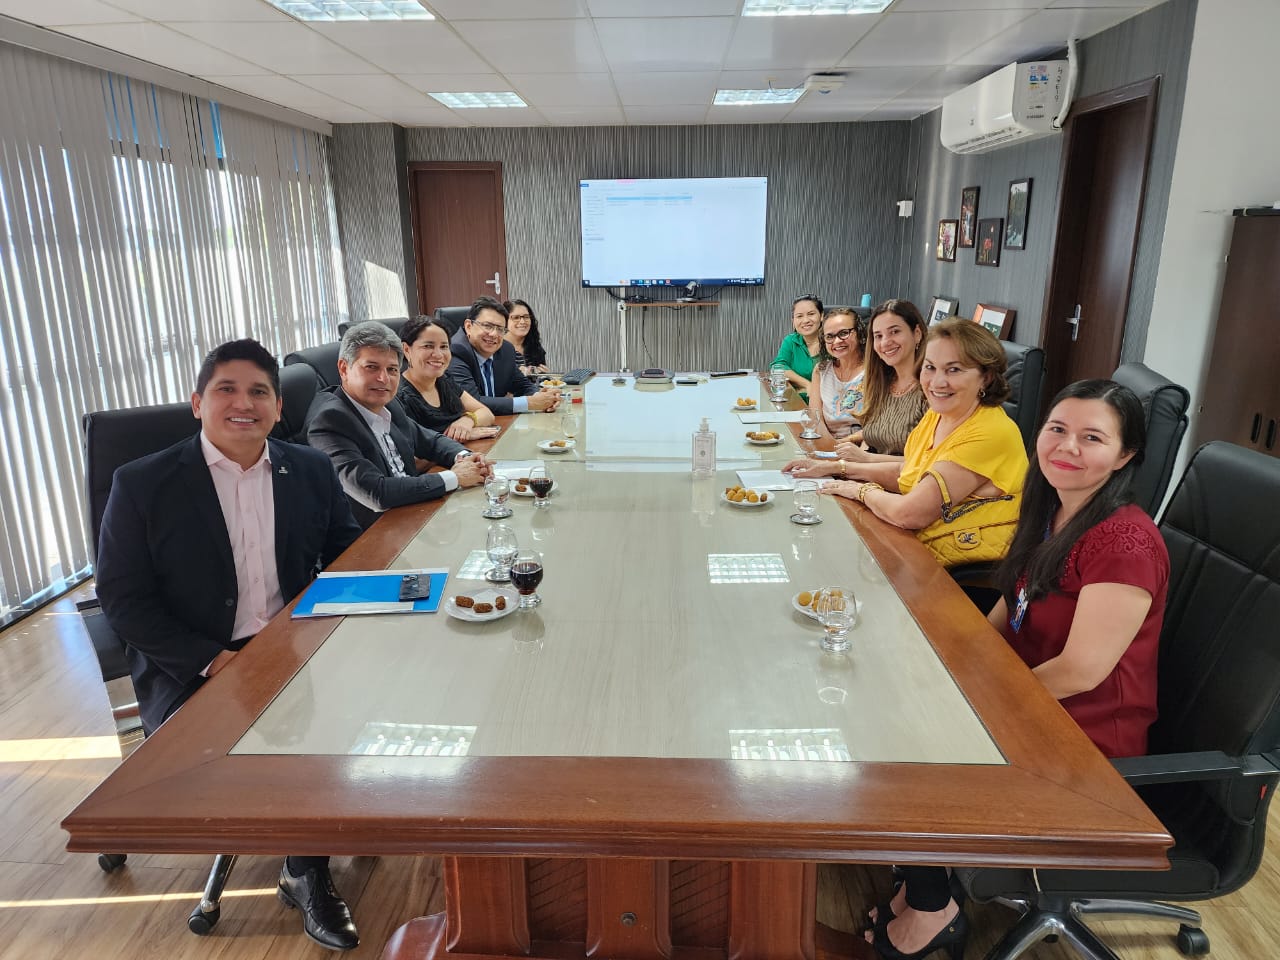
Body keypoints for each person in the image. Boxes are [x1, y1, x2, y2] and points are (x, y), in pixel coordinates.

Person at [867, 380, 1166, 960]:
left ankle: (935, 909)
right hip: (1033, 703)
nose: (1068, 447)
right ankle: (920, 876)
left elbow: (1081, 671)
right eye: (1057, 429)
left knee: (916, 746)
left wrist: (977, 699)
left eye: (1092, 438)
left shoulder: (1125, 542)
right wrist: (953, 664)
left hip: (1084, 742)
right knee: (898, 699)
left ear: (1125, 456)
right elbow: (1012, 607)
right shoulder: (1054, 512)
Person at [95, 338, 364, 951]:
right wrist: (215, 661)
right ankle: (307, 870)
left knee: (358, 705)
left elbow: (344, 555)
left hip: (293, 643)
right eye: (227, 390)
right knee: (290, 737)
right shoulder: (142, 484)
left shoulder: (310, 470)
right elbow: (123, 598)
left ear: (276, 408)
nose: (244, 404)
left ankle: (308, 856)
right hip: (192, 661)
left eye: (259, 392)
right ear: (197, 403)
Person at [785, 319, 1027, 568]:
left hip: (952, 566)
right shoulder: (940, 414)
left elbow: (909, 513)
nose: (937, 382)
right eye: (930, 367)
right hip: (912, 546)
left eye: (954, 370)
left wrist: (859, 490)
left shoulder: (990, 432)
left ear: (985, 378)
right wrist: (836, 468)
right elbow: (910, 472)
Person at [307, 320, 490, 530]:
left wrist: (467, 458)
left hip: (413, 514)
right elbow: (376, 492)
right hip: (373, 537)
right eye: (371, 367)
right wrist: (455, 477)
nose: (384, 378)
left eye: (392, 369)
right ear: (343, 368)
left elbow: (431, 441)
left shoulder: (388, 403)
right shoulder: (329, 421)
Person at [843, 299, 929, 461]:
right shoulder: (880, 383)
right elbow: (869, 444)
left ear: (917, 334)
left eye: (895, 332)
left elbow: (927, 463)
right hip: (866, 479)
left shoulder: (931, 391)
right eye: (878, 336)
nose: (885, 342)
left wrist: (864, 460)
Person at [447, 296, 560, 416]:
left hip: (500, 423)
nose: (494, 334)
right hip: (465, 427)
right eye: (488, 326)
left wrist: (544, 396)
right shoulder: (454, 352)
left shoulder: (505, 349)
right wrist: (529, 403)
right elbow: (473, 402)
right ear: (469, 326)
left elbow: (522, 385)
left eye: (500, 329)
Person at [398, 315, 500, 441]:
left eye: (444, 347)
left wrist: (467, 421)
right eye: (428, 346)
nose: (438, 355)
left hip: (465, 455)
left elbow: (486, 413)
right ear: (406, 349)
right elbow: (411, 448)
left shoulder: (444, 381)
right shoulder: (400, 397)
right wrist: (457, 437)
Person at [808, 307, 865, 440]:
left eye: (844, 333)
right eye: (830, 336)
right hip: (828, 445)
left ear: (860, 334)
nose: (837, 341)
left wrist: (842, 444)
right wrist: (828, 447)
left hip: (864, 447)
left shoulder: (874, 371)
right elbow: (816, 419)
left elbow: (877, 427)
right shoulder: (821, 370)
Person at [770, 295, 824, 397]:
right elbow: (778, 367)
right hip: (796, 403)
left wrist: (801, 387)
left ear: (821, 316)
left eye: (811, 314)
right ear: (793, 321)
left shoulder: (832, 341)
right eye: (799, 316)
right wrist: (807, 384)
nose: (805, 320)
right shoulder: (791, 341)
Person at [503, 298, 549, 376]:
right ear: (505, 320)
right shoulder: (497, 346)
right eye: (516, 317)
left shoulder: (535, 346)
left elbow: (540, 380)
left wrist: (545, 376)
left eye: (526, 317)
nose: (522, 322)